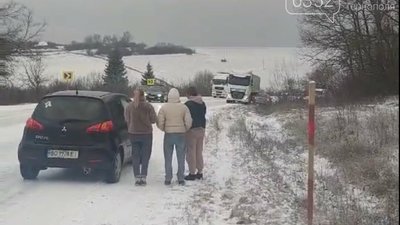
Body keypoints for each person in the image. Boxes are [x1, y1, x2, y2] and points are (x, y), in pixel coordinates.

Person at [157, 88, 192, 186]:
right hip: (181, 135)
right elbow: (188, 122)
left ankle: (168, 178)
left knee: (168, 157)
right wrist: (184, 129)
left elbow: (160, 122)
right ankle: (181, 178)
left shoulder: (164, 108)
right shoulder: (183, 107)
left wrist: (164, 129)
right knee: (181, 157)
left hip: (168, 135)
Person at [125, 89, 157, 186]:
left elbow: (126, 119)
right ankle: (143, 177)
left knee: (135, 156)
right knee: (145, 156)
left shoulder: (129, 106)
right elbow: (153, 120)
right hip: (146, 134)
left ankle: (136, 178)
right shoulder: (148, 106)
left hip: (133, 133)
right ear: (144, 95)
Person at [184, 87, 207, 181]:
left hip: (191, 130)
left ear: (189, 94)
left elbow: (186, 117)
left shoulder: (188, 104)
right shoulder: (202, 103)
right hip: (201, 129)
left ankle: (192, 173)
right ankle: (200, 172)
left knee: (191, 152)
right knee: (199, 151)